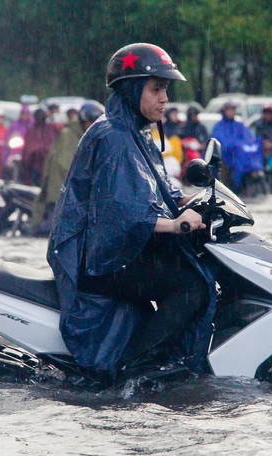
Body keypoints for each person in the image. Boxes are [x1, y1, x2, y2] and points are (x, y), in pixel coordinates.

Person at [47, 43, 216, 380]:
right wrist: (175, 225)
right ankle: (138, 370)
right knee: (191, 287)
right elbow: (120, 213)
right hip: (97, 259)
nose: (164, 98)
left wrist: (185, 201)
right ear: (131, 89)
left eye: (165, 88)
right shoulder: (114, 137)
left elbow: (155, 187)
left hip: (112, 250)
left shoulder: (134, 132)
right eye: (155, 89)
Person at [30, 102, 104, 236]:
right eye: (91, 122)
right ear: (84, 121)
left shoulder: (84, 135)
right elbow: (66, 165)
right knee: (58, 232)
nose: (94, 126)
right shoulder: (69, 135)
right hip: (61, 192)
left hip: (70, 194)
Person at [210, 100, 261, 190]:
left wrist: (251, 144)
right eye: (229, 110)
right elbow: (221, 142)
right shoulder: (219, 126)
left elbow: (248, 138)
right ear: (224, 111)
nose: (231, 112)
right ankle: (235, 187)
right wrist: (233, 145)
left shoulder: (239, 125)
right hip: (227, 157)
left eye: (233, 110)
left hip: (241, 156)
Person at [21, 108, 56, 186]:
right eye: (38, 117)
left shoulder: (50, 129)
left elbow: (52, 143)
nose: (40, 119)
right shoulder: (31, 130)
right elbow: (28, 147)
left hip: (47, 162)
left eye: (41, 117)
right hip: (34, 163)